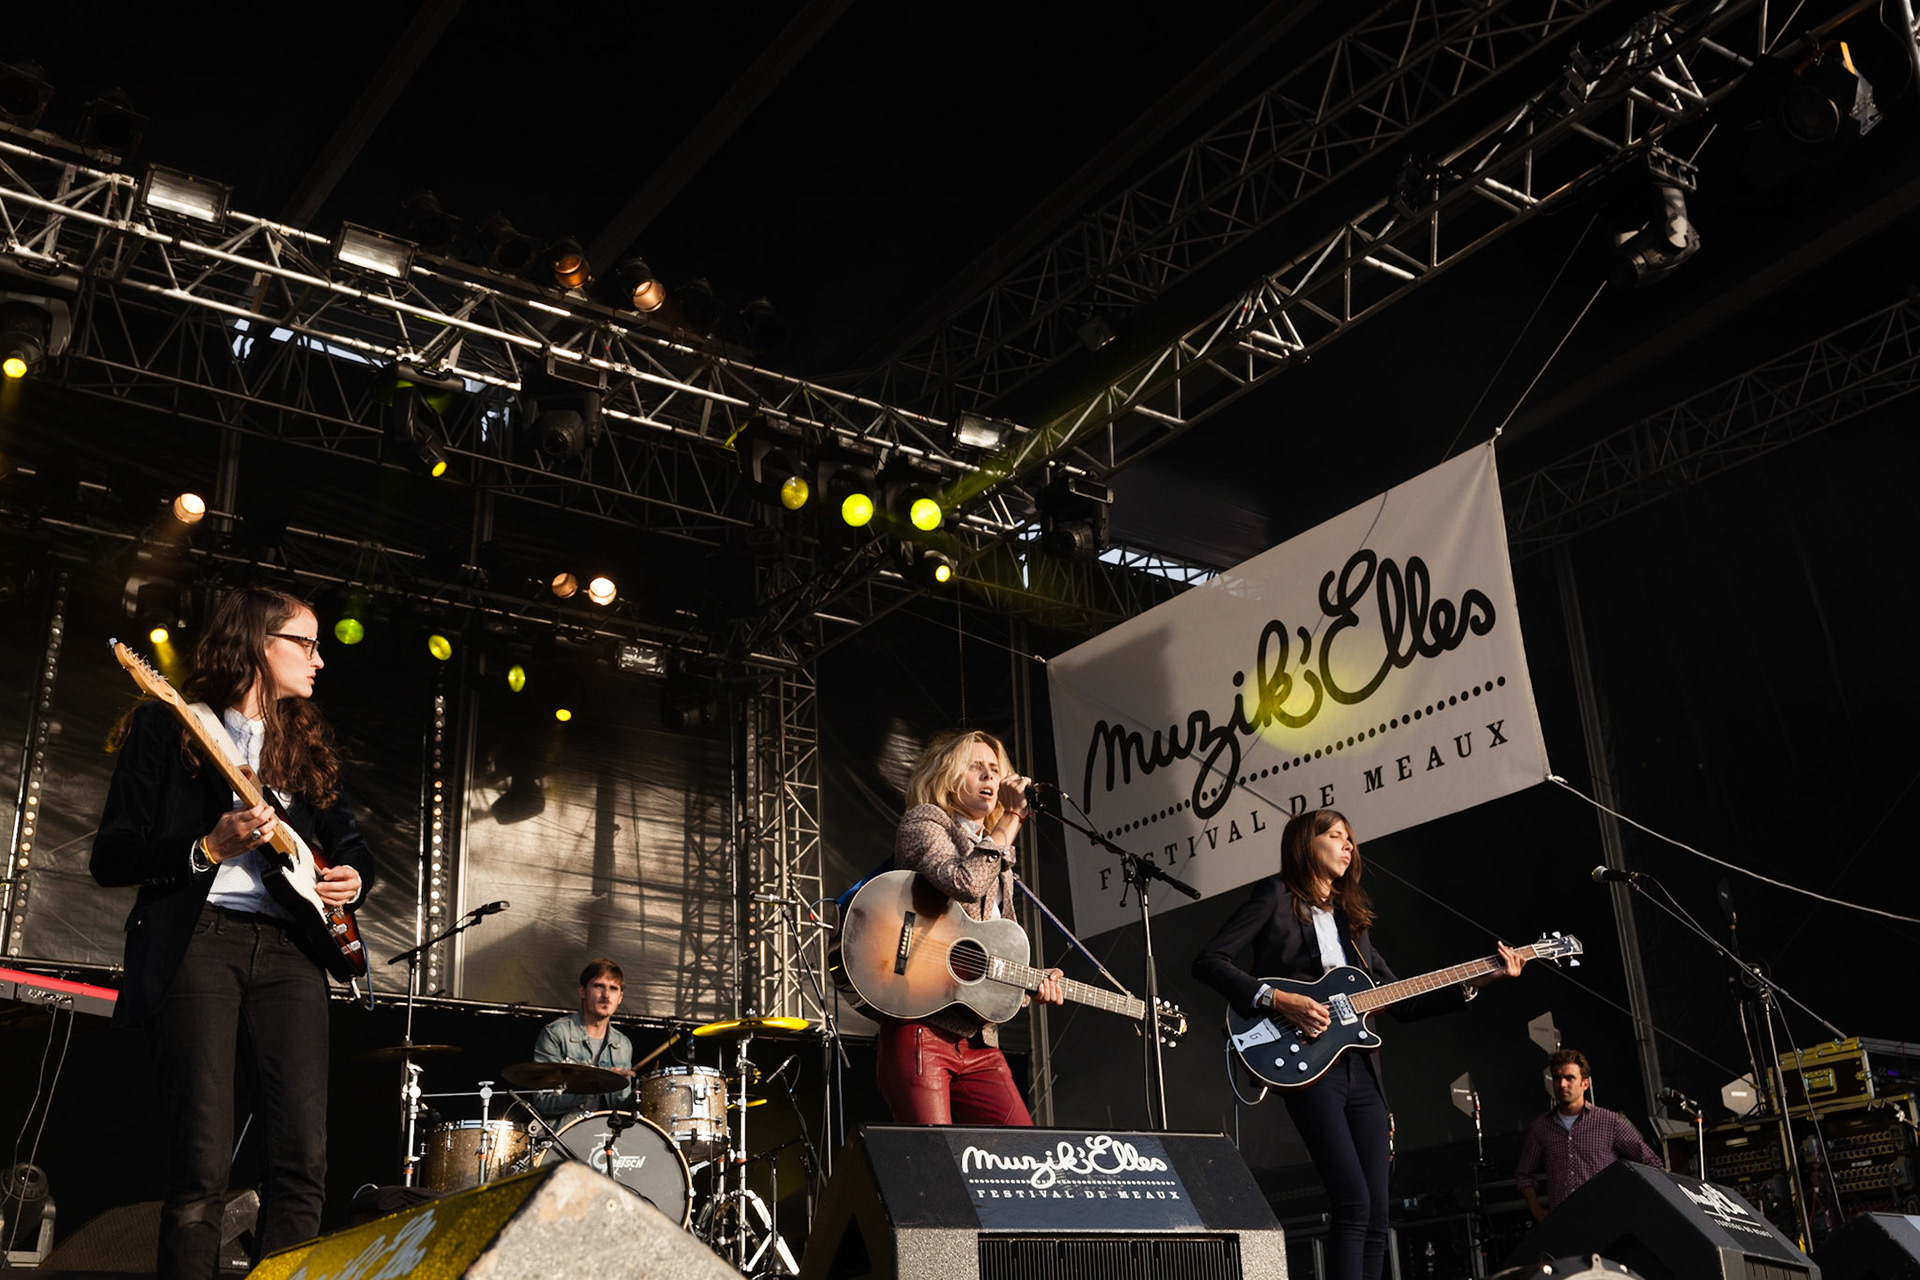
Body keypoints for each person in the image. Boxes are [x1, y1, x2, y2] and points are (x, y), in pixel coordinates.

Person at [91, 586, 370, 1280]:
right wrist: (204, 850)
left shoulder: (302, 744)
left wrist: (352, 879)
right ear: (257, 643)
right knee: (201, 1162)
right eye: (305, 643)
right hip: (200, 946)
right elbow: (112, 856)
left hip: (291, 955)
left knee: (302, 1160)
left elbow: (350, 840)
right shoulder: (169, 727)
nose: (320, 660)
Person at [1192, 808, 1525, 1280]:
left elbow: (1402, 1002)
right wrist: (1279, 999)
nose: (1349, 846)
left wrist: (1478, 982)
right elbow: (1209, 961)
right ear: (1308, 844)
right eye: (1336, 836)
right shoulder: (1274, 896)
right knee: (1352, 1201)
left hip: (1362, 1073)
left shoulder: (1352, 921)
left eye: (1351, 839)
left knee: (1376, 1212)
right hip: (1307, 1067)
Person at [877, 730, 1064, 1126]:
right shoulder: (926, 822)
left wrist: (1033, 983)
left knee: (1023, 1156)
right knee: (935, 1161)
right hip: (922, 1028)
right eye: (976, 767)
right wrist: (1011, 819)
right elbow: (963, 882)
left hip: (980, 1041)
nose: (990, 778)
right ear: (947, 776)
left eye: (995, 770)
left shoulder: (999, 855)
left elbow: (994, 956)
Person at [1515, 1049, 1663, 1220]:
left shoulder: (1610, 1121)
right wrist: (1537, 1210)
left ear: (1585, 1084)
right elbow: (1524, 1174)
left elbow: (1651, 1164)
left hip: (1606, 1218)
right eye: (1556, 1078)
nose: (1562, 1084)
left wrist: (1630, 1203)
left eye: (1570, 1078)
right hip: (1562, 1222)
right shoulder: (1540, 1127)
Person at [531, 959, 637, 1119]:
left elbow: (620, 1109)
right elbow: (544, 1102)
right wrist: (595, 1084)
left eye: (613, 989)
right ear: (582, 991)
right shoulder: (556, 1033)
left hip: (605, 1137)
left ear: (620, 997)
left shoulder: (623, 1044)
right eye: (598, 986)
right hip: (563, 1136)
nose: (606, 995)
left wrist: (642, 1097)